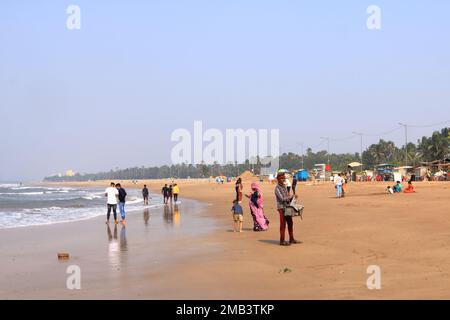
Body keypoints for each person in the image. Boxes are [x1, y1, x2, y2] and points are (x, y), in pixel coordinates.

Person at [275, 172, 301, 246]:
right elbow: (282, 199)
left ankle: (291, 239)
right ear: (278, 179)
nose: (283, 179)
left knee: (290, 223)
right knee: (283, 224)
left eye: (284, 178)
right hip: (281, 208)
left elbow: (287, 197)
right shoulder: (277, 188)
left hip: (287, 207)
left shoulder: (284, 187)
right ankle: (282, 240)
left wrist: (293, 197)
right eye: (281, 178)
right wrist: (291, 197)